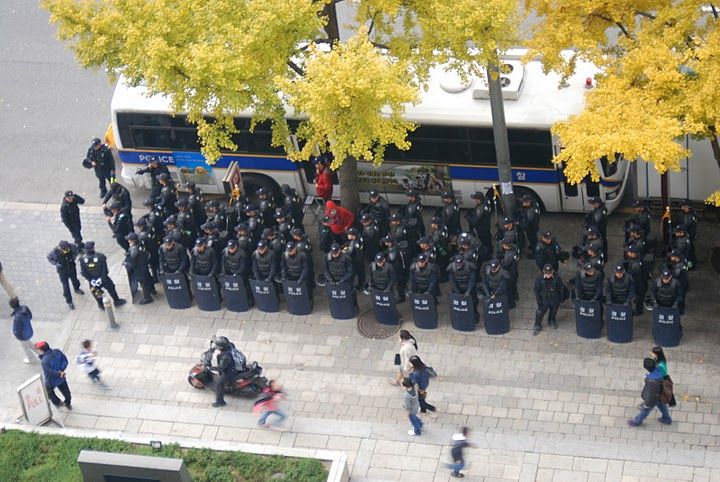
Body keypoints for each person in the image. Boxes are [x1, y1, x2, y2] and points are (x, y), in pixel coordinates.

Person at [80, 242, 127, 310]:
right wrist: (101, 279)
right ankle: (116, 301)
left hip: (93, 280)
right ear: (93, 248)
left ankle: (101, 305)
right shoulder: (100, 256)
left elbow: (84, 272)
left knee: (96, 293)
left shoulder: (82, 259)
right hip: (103, 278)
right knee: (111, 288)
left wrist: (91, 280)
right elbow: (105, 270)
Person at [628, 358, 672, 426]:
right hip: (661, 393)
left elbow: (651, 394)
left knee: (646, 410)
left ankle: (637, 422)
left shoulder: (652, 381)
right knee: (662, 406)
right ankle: (666, 418)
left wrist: (647, 404)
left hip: (654, 398)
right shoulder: (659, 368)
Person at [47, 240, 84, 309]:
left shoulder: (72, 246)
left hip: (71, 268)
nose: (66, 250)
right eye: (64, 249)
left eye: (67, 248)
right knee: (66, 286)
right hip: (62, 272)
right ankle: (69, 301)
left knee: (75, 280)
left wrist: (74, 257)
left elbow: (76, 251)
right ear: (60, 248)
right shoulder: (55, 252)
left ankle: (77, 288)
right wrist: (55, 263)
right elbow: (49, 258)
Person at [35, 341, 72, 409]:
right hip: (61, 378)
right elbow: (65, 361)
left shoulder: (44, 360)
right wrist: (61, 371)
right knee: (66, 392)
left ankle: (57, 402)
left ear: (41, 350)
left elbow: (49, 371)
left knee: (49, 393)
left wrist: (58, 373)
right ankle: (68, 403)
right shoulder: (57, 351)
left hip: (51, 380)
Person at [533, 264, 567, 335]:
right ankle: (537, 324)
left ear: (552, 272)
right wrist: (538, 300)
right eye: (546, 273)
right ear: (543, 271)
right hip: (544, 299)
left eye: (549, 273)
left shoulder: (557, 278)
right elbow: (536, 290)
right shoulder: (540, 278)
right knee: (540, 312)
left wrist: (560, 298)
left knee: (554, 310)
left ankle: (551, 320)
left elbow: (561, 288)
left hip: (554, 298)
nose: (548, 275)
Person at [123, 233, 155, 305]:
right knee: (148, 278)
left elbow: (133, 259)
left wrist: (127, 263)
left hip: (139, 268)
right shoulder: (140, 243)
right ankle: (152, 290)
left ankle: (147, 298)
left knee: (143, 282)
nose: (128, 241)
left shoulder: (134, 249)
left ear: (132, 241)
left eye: (129, 240)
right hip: (144, 264)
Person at [10, 298, 36, 364]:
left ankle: (31, 358)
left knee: (26, 348)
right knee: (29, 343)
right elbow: (30, 316)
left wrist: (16, 335)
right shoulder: (25, 308)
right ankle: (39, 351)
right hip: (29, 330)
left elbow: (16, 330)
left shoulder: (17, 318)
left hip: (22, 336)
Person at [623, 245, 647, 315]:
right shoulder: (636, 259)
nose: (628, 253)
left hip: (638, 282)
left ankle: (639, 310)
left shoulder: (636, 265)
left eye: (629, 252)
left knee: (639, 296)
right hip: (640, 280)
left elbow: (632, 275)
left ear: (634, 253)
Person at [677, 199, 697, 268]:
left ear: (687, 207)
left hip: (689, 235)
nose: (681, 207)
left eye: (683, 206)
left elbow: (686, 226)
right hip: (688, 234)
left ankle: (690, 265)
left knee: (688, 250)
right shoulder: (688, 214)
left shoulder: (689, 216)